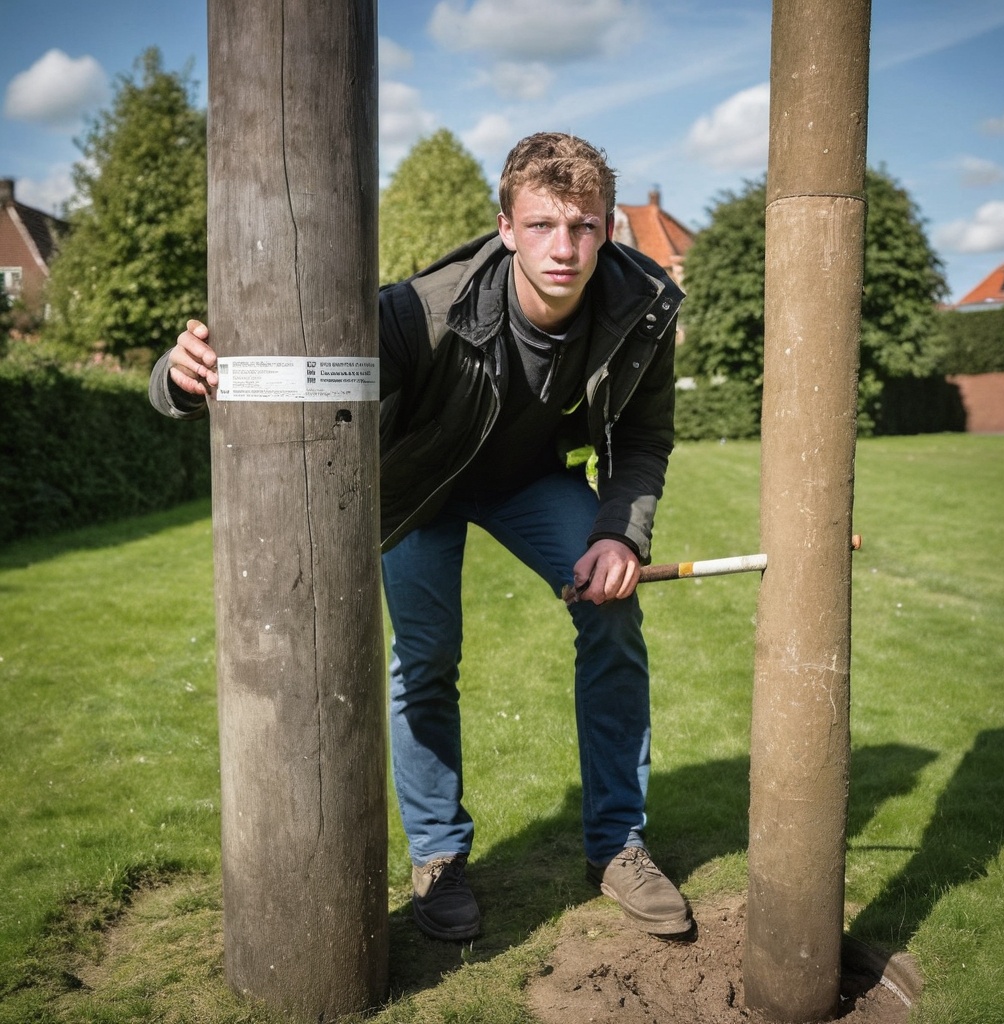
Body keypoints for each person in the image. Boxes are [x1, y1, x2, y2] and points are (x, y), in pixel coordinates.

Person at [149, 132, 692, 943]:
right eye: (542, 225)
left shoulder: (643, 305)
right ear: (505, 228)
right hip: (419, 485)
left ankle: (617, 844)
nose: (564, 248)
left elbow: (643, 438)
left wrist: (620, 534)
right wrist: (179, 377)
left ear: (609, 228)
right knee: (427, 658)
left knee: (613, 611)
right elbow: (289, 360)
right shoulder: (420, 311)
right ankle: (439, 856)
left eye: (584, 226)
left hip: (530, 480)